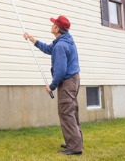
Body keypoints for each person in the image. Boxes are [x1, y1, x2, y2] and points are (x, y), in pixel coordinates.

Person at [23, 15, 83, 156]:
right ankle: (74, 142)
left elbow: (61, 71)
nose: (51, 25)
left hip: (68, 81)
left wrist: (52, 86)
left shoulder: (61, 45)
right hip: (73, 79)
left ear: (57, 28)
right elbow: (49, 49)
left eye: (53, 24)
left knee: (66, 112)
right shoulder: (64, 40)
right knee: (71, 111)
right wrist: (33, 40)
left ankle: (74, 147)